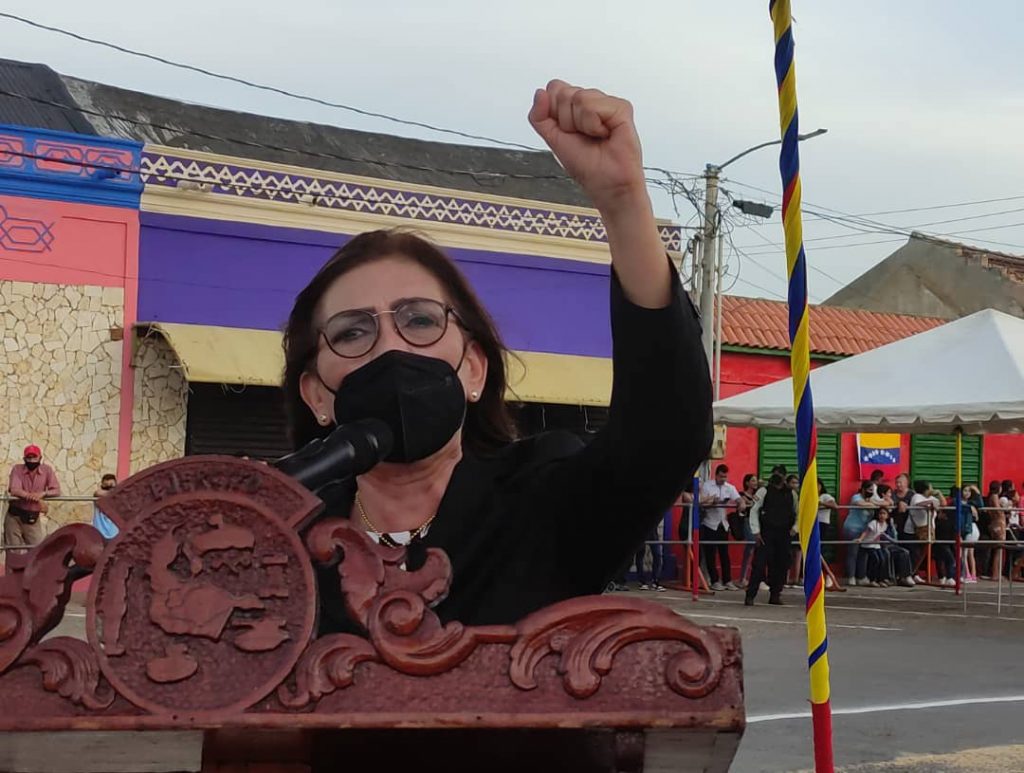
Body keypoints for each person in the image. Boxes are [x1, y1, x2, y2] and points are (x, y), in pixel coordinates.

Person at [284, 80, 713, 631]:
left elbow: (666, 435)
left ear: (474, 369)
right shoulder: (274, 536)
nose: (390, 346)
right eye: (352, 332)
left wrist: (624, 201)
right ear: (316, 394)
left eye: (420, 320)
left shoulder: (541, 500)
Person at [745, 473, 796, 606]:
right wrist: (756, 531)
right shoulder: (764, 491)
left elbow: (798, 511)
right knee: (759, 565)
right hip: (766, 533)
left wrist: (795, 528)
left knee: (781, 565)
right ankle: (750, 595)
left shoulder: (791, 494)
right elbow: (754, 510)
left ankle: (775, 595)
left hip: (784, 533)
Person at [4, 444, 61, 550]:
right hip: (15, 516)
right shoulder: (17, 469)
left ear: (40, 458)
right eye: (29, 458)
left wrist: (43, 493)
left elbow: (57, 490)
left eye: (34, 457)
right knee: (13, 550)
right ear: (24, 459)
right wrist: (32, 496)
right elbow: (14, 489)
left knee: (37, 550)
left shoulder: (47, 470)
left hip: (32, 517)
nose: (31, 460)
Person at [699, 464, 741, 591]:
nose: (723, 479)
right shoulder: (707, 486)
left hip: (723, 524)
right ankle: (714, 580)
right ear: (716, 475)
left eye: (725, 477)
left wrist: (741, 503)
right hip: (709, 523)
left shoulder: (729, 487)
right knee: (710, 554)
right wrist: (713, 502)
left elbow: (738, 498)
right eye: (721, 476)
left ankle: (727, 580)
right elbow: (702, 502)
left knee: (724, 554)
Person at [844, 480, 877, 583]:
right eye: (870, 490)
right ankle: (851, 577)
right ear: (863, 489)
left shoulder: (871, 499)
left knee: (863, 553)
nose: (871, 492)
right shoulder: (856, 497)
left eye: (873, 490)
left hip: (864, 531)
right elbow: (860, 504)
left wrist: (874, 503)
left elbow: (887, 503)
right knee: (853, 553)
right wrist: (874, 504)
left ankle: (861, 576)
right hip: (852, 529)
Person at [736, 473, 759, 588]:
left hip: (757, 523)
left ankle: (751, 578)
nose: (755, 483)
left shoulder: (757, 495)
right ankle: (742, 578)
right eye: (753, 481)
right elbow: (742, 505)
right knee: (750, 548)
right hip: (747, 522)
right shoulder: (741, 495)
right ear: (747, 483)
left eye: (756, 481)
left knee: (755, 550)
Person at [92, 474, 119, 542]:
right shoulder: (98, 496)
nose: (109, 488)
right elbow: (97, 493)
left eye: (111, 485)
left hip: (114, 534)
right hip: (99, 533)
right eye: (106, 486)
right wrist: (113, 492)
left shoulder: (118, 497)